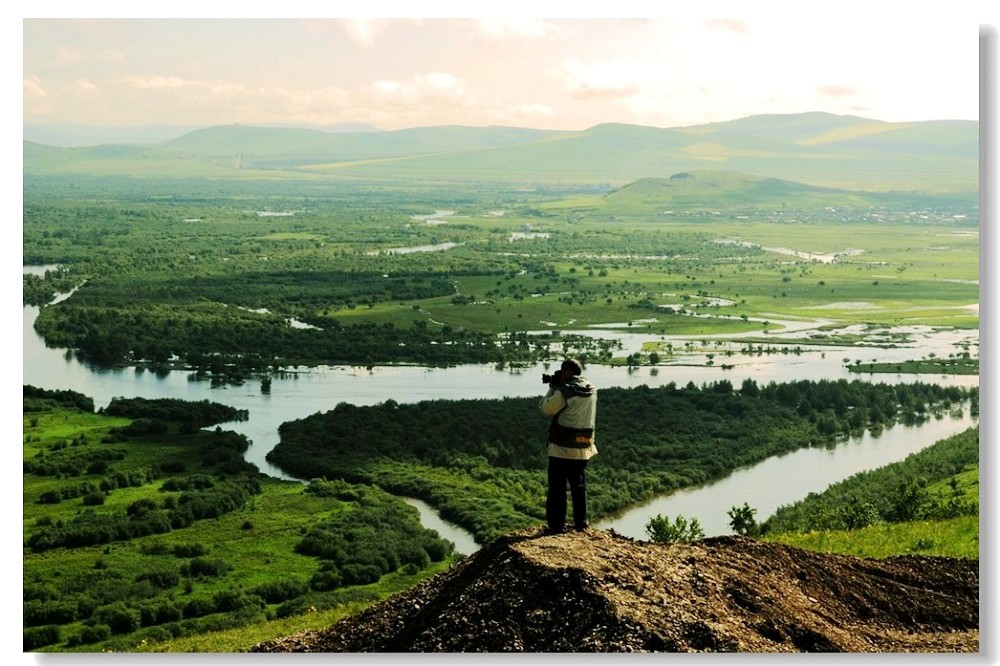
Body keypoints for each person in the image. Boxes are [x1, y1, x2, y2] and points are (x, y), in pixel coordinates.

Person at [539, 358, 597, 533]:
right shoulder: (592, 389)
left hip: (561, 448)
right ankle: (581, 523)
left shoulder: (565, 391)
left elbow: (545, 409)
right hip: (583, 447)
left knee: (557, 488)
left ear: (566, 372)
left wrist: (552, 387)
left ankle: (556, 526)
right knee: (578, 486)